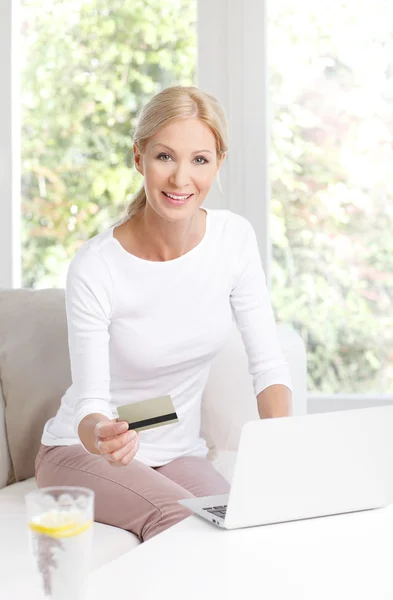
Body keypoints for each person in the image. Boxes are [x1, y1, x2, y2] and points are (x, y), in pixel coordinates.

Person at [35, 85, 293, 542]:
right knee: (181, 527)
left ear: (218, 162)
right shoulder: (98, 265)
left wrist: (283, 456)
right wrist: (105, 435)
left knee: (247, 526)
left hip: (178, 451)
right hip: (81, 451)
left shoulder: (233, 240)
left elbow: (268, 365)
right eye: (164, 157)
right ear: (139, 158)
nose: (180, 179)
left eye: (199, 159)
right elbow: (92, 406)